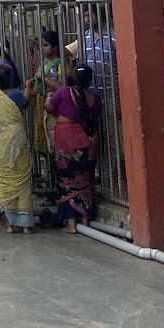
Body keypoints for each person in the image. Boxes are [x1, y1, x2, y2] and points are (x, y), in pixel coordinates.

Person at [0, 62, 35, 233]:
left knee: (1, 183)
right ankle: (26, 227)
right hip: (18, 143)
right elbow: (24, 103)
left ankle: (9, 225)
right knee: (23, 185)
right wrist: (28, 89)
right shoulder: (16, 94)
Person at [46, 62, 102, 230]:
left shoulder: (63, 92)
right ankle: (85, 221)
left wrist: (49, 96)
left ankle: (71, 224)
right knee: (86, 182)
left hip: (67, 143)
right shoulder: (95, 99)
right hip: (88, 144)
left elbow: (48, 107)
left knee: (66, 181)